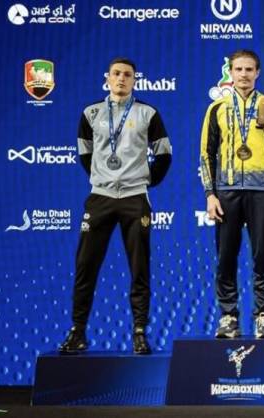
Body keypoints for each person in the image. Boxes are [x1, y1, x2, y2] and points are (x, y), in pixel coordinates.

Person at [59, 57, 172, 355]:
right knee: (85, 266)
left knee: (139, 268)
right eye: (116, 74)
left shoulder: (148, 113)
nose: (121, 79)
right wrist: (103, 179)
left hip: (135, 199)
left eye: (127, 75)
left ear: (135, 80)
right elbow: (85, 153)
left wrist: (143, 180)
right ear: (107, 78)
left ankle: (139, 332)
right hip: (100, 198)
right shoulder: (91, 113)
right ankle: (78, 331)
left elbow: (163, 154)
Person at [200, 50, 264, 339]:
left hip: (261, 190)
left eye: (249, 69)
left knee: (262, 254)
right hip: (226, 191)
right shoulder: (217, 108)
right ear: (230, 72)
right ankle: (228, 316)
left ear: (257, 73)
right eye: (238, 69)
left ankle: (263, 316)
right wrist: (210, 194)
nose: (243, 74)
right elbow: (206, 154)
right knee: (226, 255)